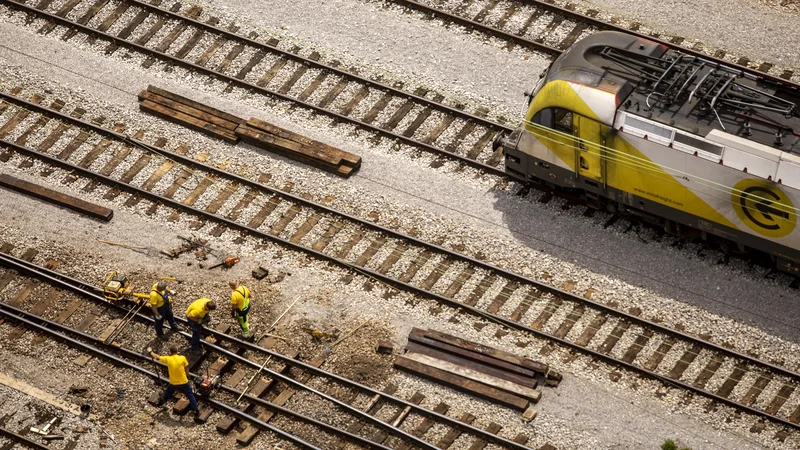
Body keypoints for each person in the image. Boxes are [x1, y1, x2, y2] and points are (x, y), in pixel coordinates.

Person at [147, 346, 199, 416]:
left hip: (173, 383)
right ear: (177, 351)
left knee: (168, 392)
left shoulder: (168, 359)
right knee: (190, 396)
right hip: (183, 382)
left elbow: (156, 357)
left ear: (170, 352)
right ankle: (196, 411)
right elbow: (187, 369)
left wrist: (150, 352)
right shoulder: (182, 358)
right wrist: (188, 376)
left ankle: (162, 402)